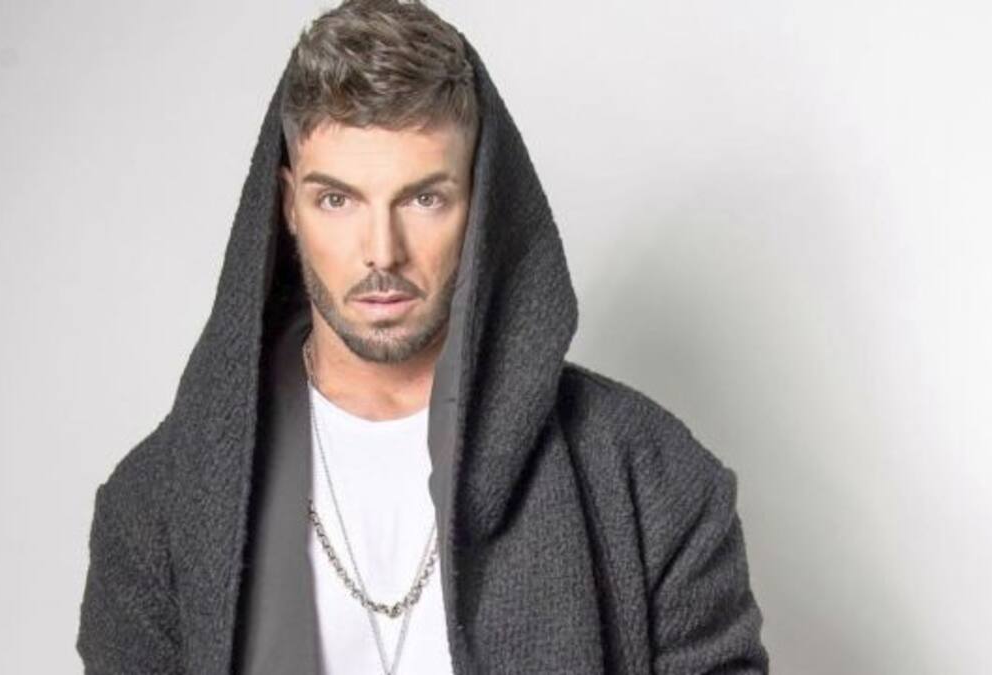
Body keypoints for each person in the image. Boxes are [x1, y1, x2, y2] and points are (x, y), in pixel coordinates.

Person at [76, 1, 769, 673]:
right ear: (289, 206)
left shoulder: (651, 478)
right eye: (337, 199)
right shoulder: (155, 507)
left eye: (423, 198)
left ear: (480, 203)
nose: (382, 251)